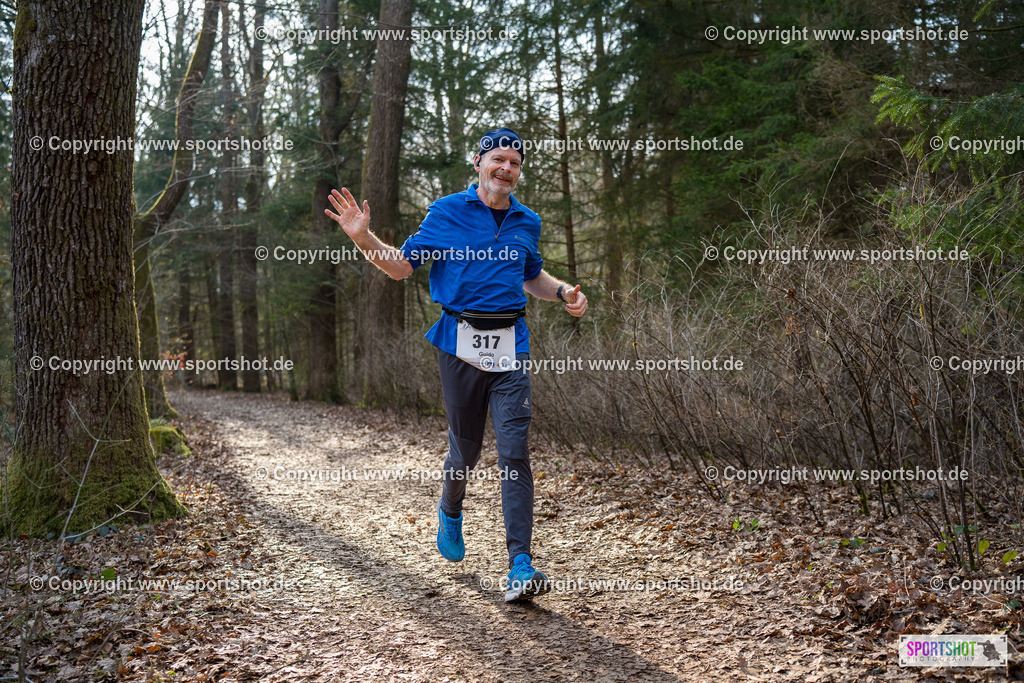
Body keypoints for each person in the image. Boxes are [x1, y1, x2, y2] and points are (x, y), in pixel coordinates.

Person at [325, 127, 587, 602]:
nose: (506, 168)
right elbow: (403, 266)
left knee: (514, 449)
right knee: (465, 452)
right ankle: (450, 508)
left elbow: (531, 276)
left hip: (512, 344)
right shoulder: (446, 212)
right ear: (478, 162)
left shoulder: (528, 221)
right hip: (459, 344)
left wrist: (564, 291)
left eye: (514, 162)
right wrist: (363, 239)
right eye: (498, 159)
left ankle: (520, 564)